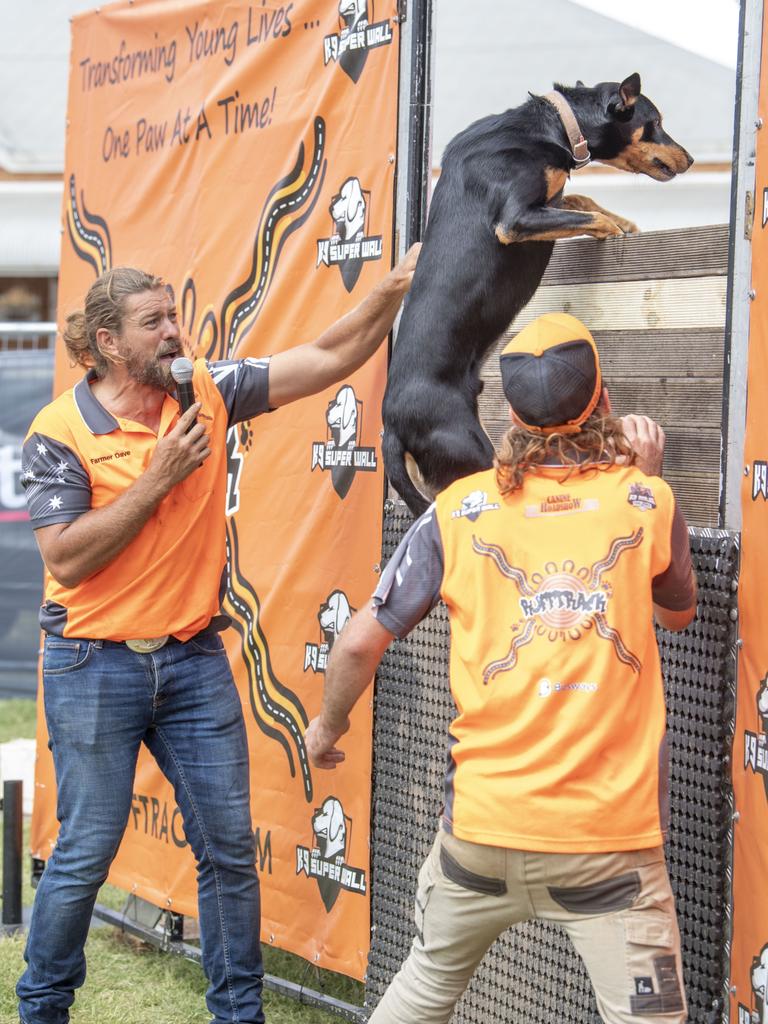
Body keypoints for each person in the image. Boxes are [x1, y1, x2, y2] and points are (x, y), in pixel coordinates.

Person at [17, 246, 419, 1024]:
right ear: (109, 344)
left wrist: (393, 288)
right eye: (155, 323)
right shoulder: (59, 429)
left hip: (194, 658)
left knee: (230, 850)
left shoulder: (203, 389)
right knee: (85, 853)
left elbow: (331, 354)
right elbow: (65, 556)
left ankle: (239, 1015)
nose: (177, 331)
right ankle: (42, 1009)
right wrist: (159, 477)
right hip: (93, 663)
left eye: (174, 315)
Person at [305, 312, 698, 1024]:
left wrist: (326, 725)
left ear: (507, 412)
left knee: (421, 991)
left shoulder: (459, 509)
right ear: (603, 402)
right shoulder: (646, 501)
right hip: (606, 853)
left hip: (479, 841)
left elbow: (360, 643)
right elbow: (677, 614)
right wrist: (647, 486)